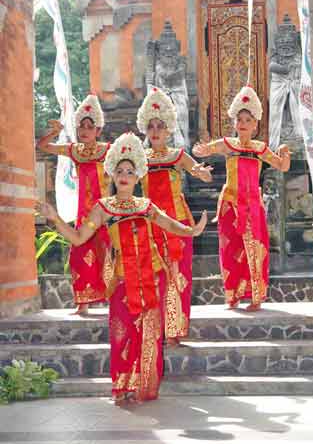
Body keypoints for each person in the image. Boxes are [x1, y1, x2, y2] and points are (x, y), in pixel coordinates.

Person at [37, 132, 207, 405]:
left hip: (152, 277)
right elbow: (80, 238)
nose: (124, 175)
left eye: (130, 171)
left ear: (138, 175)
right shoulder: (104, 208)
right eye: (119, 170)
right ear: (112, 175)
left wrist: (191, 230)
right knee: (122, 333)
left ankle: (145, 386)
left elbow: (169, 225)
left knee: (150, 335)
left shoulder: (146, 206)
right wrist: (55, 218)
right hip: (122, 281)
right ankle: (122, 385)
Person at [193, 86, 291, 311]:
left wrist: (285, 153)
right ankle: (233, 295)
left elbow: (281, 166)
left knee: (255, 249)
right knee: (229, 250)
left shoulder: (260, 148)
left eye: (248, 119)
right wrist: (200, 153)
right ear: (235, 123)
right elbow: (207, 150)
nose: (244, 123)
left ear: (255, 124)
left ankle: (256, 297)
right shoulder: (228, 144)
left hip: (253, 205)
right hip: (230, 203)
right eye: (240, 119)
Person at [137, 87, 213, 345]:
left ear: (169, 128)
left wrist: (202, 172)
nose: (156, 131)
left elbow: (199, 171)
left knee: (178, 277)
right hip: (149, 225)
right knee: (153, 277)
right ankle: (154, 329)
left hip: (177, 225)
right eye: (151, 126)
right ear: (145, 130)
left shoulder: (178, 155)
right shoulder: (139, 159)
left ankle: (175, 331)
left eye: (160, 126)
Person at [37, 95, 111, 315]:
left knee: (106, 256)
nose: (85, 130)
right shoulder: (74, 150)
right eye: (82, 126)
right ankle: (83, 303)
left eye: (90, 126)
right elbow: (43, 146)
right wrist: (55, 131)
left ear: (98, 130)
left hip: (104, 214)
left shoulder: (109, 150)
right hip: (83, 215)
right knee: (79, 256)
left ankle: (111, 300)